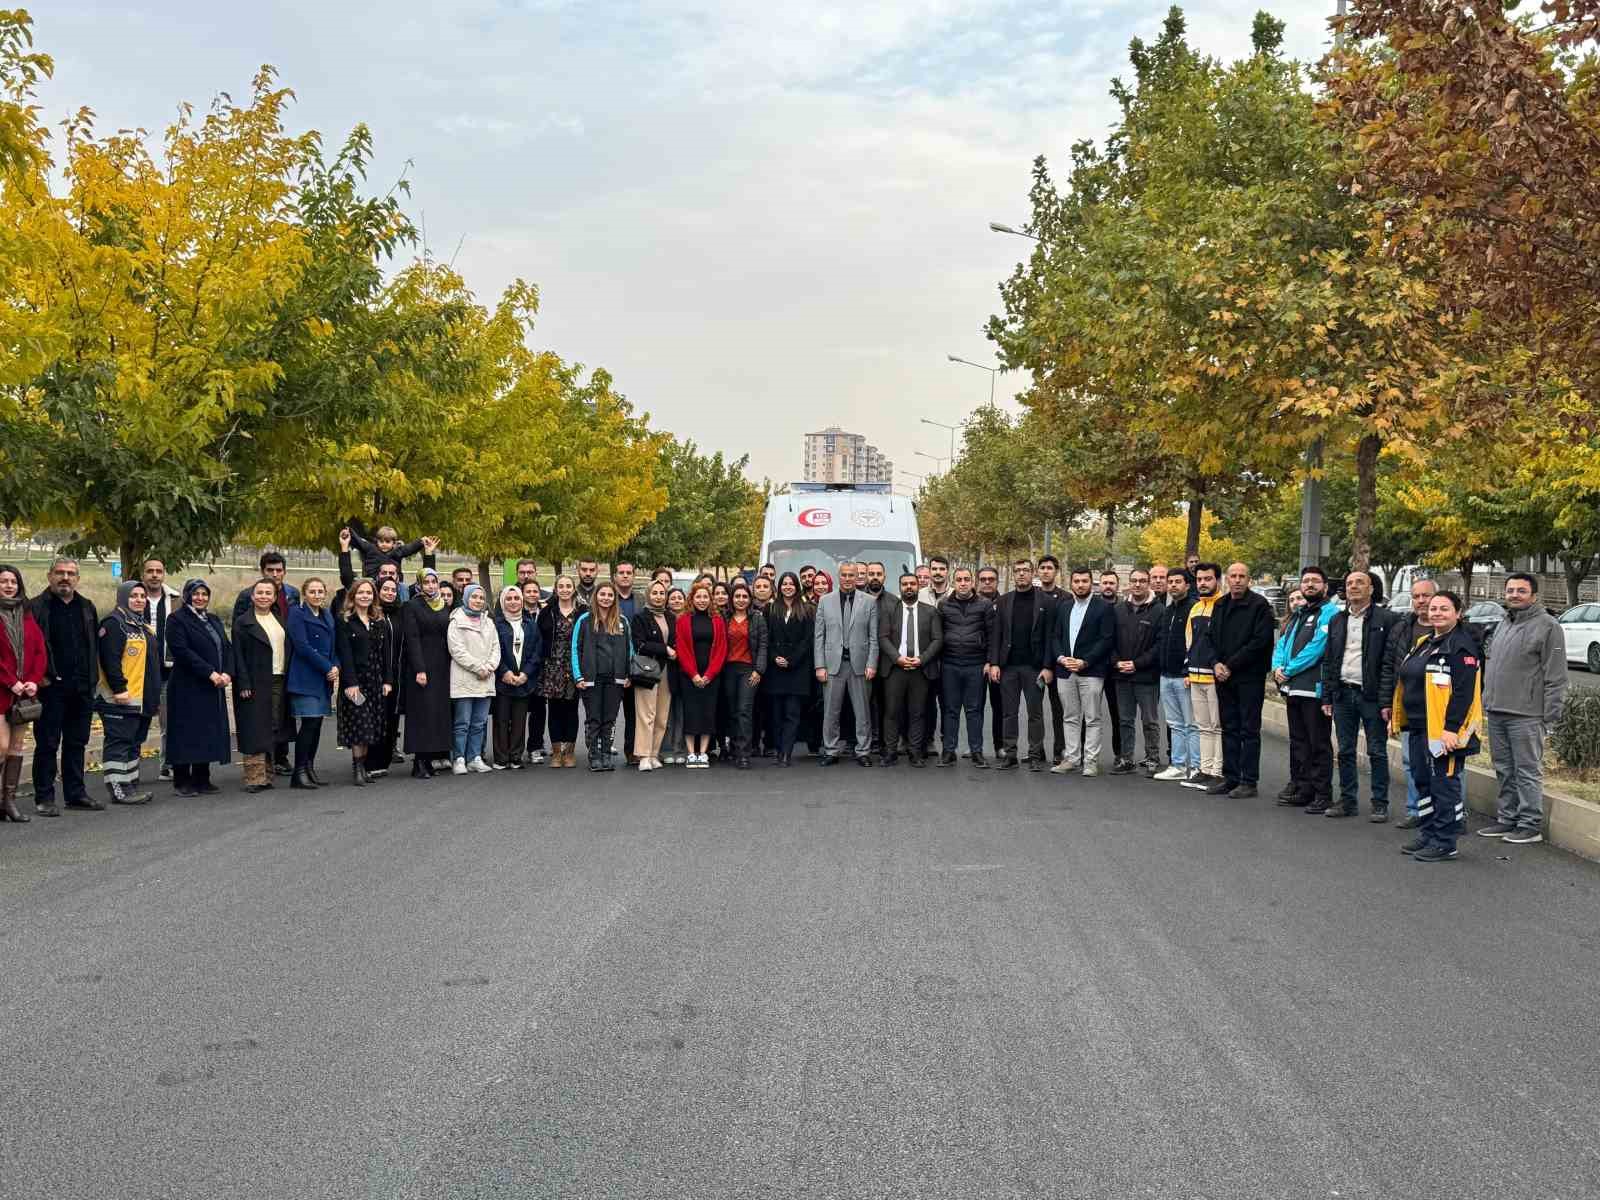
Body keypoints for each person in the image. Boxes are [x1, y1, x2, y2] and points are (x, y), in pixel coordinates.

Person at [1477, 572, 1569, 845]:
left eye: (1521, 591)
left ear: (1534, 595)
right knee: (1504, 768)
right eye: (1510, 590)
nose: (1514, 595)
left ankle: (1529, 825)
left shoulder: (1549, 626)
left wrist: (1549, 717)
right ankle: (1507, 819)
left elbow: (1557, 676)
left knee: (1527, 770)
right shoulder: (1504, 623)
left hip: (1527, 715)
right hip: (1497, 711)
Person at [1393, 591, 1483, 862]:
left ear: (1458, 613)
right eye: (1433, 608)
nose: (1437, 613)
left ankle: (1446, 841)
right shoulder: (1424, 642)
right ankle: (1429, 833)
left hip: (1443, 732)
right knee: (1423, 783)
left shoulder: (1461, 646)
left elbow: (1465, 692)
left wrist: (1451, 729)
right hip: (1419, 726)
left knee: (1444, 785)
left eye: (1444, 609)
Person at [1320, 569, 1398, 819]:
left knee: (1376, 750)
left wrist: (1387, 699)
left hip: (1372, 697)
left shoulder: (1388, 620)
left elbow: (1389, 663)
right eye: (1350, 583)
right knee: (1344, 750)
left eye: (1359, 583)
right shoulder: (1337, 620)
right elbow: (1330, 660)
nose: (1353, 587)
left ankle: (1380, 803)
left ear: (1371, 588)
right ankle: (1347, 800)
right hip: (1343, 693)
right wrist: (1327, 695)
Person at [29, 558, 100, 816]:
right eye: (60, 573)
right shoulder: (36, 607)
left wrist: (93, 681)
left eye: (71, 573)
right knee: (47, 743)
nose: (65, 578)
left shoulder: (87, 607)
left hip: (82, 687)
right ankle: (44, 797)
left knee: (76, 742)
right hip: (50, 688)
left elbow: (93, 646)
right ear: (50, 576)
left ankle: (75, 793)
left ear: (77, 579)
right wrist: (39, 678)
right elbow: (29, 647)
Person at [1272, 565, 1337, 812]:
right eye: (1306, 581)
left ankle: (1322, 793)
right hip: (1293, 689)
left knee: (1318, 742)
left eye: (1315, 581)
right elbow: (1283, 644)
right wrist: (1277, 667)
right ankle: (1303, 787)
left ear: (1325, 587)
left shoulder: (1329, 613)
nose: (1309, 585)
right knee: (1299, 741)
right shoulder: (1299, 613)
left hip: (1314, 689)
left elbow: (1317, 648)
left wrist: (1288, 670)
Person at [1209, 562, 1277, 798]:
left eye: (1242, 576)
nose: (1237, 580)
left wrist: (1230, 665)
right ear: (1226, 579)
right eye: (1233, 576)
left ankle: (1248, 781)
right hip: (1223, 677)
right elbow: (1211, 638)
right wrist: (1215, 663)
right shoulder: (1220, 604)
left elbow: (1260, 642)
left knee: (1249, 729)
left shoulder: (1259, 606)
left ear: (1249, 579)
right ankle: (1231, 777)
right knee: (1229, 728)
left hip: (1249, 677)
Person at [92, 581, 160, 807]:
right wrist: (119, 689)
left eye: (142, 596)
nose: (139, 599)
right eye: (133, 596)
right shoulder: (114, 624)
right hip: (118, 698)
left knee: (133, 743)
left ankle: (131, 784)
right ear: (122, 598)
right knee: (119, 743)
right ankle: (119, 790)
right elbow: (109, 661)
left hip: (141, 699)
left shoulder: (143, 626)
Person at [232, 552, 299, 775]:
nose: (275, 574)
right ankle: (259, 769)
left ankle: (278, 759)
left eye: (279, 570)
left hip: (282, 668)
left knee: (280, 716)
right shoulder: (246, 604)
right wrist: (243, 680)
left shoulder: (290, 598)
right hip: (257, 670)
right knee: (260, 720)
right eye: (270, 570)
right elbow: (239, 641)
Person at [1379, 578, 1437, 828]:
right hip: (1408, 707)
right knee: (1410, 761)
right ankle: (1416, 810)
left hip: (1439, 710)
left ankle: (1451, 813)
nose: (1421, 601)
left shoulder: (1451, 631)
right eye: (1416, 596)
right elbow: (1388, 668)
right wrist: (1387, 703)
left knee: (1445, 764)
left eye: (1426, 595)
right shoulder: (1402, 628)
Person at [163, 580, 230, 797]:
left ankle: (202, 778)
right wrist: (210, 672)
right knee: (186, 732)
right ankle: (182, 780)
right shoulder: (176, 620)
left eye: (204, 594)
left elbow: (226, 647)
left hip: (213, 685)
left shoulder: (213, 619)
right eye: (195, 594)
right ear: (186, 595)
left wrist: (228, 672)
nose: (200, 598)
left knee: (206, 731)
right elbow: (182, 651)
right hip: (187, 685)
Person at [1049, 568, 1115, 777]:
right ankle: (1071, 758)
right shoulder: (1064, 606)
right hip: (1065, 670)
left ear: (1091, 584)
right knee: (1069, 717)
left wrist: (1085, 661)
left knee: (1092, 717)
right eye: (1076, 581)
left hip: (1091, 670)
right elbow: (1055, 636)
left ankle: (1091, 761)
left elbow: (1106, 639)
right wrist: (1060, 658)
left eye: (1084, 581)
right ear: (1071, 584)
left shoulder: (1103, 608)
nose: (1080, 585)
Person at [988, 559, 1053, 771]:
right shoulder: (1004, 601)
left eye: (1025, 570)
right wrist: (994, 663)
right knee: (1009, 712)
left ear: (1032, 573)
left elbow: (1049, 637)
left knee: (1035, 713)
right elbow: (996, 634)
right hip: (1008, 667)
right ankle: (1010, 754)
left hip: (1034, 667)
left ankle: (1035, 755)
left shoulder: (1044, 600)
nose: (1021, 574)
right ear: (1013, 574)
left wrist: (1047, 666)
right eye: (1017, 571)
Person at [814, 559, 878, 767]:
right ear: (839, 575)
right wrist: (819, 665)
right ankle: (831, 750)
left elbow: (874, 637)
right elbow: (819, 637)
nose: (848, 579)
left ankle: (863, 751)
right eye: (844, 575)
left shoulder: (869, 601)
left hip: (860, 665)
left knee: (862, 711)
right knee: (831, 711)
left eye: (852, 575)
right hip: (833, 665)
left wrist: (872, 664)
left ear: (856, 577)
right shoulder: (825, 601)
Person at [877, 572, 943, 766]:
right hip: (895, 669)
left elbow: (938, 639)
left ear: (918, 586)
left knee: (918, 712)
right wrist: (897, 658)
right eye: (904, 584)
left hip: (920, 669)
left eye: (912, 584)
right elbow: (883, 637)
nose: (908, 587)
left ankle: (915, 752)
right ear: (900, 587)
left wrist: (921, 659)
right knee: (892, 712)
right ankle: (890, 752)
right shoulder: (890, 610)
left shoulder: (930, 611)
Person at [335, 579, 394, 785]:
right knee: (359, 725)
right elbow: (345, 653)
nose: (365, 596)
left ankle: (364, 765)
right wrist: (351, 683)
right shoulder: (344, 620)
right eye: (361, 592)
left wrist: (388, 680)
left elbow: (386, 653)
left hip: (376, 681)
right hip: (356, 683)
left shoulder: (379, 620)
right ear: (353, 596)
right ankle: (357, 767)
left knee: (371, 727)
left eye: (369, 593)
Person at [572, 580, 634, 771]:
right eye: (602, 594)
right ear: (596, 597)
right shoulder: (584, 620)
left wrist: (628, 674)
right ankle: (594, 754)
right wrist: (578, 676)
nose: (606, 598)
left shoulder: (622, 621)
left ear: (614, 598)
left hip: (615, 679)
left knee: (610, 718)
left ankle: (606, 753)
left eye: (609, 595)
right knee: (594, 718)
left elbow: (629, 649)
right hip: (591, 679)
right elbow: (575, 648)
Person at [0, 564, 46, 821]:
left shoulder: (26, 614)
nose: (9, 586)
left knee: (17, 747)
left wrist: (33, 681)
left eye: (13, 582)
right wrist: (10, 681)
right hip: (2, 690)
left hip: (23, 693)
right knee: (2, 745)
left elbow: (39, 650)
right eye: (4, 581)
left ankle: (9, 802)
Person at [285, 578, 338, 790]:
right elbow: (302, 646)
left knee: (316, 726)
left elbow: (334, 645)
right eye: (312, 591)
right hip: (306, 676)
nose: (317, 595)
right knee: (308, 725)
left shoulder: (327, 615)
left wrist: (335, 666)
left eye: (320, 591)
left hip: (324, 678)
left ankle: (309, 768)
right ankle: (298, 773)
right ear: (304, 594)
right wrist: (327, 667)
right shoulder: (297, 614)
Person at [938, 567, 993, 767]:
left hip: (976, 665)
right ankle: (948, 751)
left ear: (972, 582)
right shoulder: (943, 605)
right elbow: (938, 635)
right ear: (954, 582)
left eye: (966, 579)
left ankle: (977, 751)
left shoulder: (985, 605)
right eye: (959, 579)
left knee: (974, 710)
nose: (963, 583)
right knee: (950, 710)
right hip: (950, 664)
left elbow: (991, 635)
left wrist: (989, 661)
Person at [1110, 567, 1162, 777]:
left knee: (1149, 720)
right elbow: (1109, 640)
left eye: (1142, 580)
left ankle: (1152, 758)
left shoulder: (1159, 611)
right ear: (1129, 583)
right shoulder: (1119, 610)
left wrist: (1137, 664)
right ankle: (1127, 758)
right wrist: (1116, 662)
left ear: (1148, 583)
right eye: (1134, 580)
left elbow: (1159, 645)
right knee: (1125, 719)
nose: (1138, 584)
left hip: (1146, 676)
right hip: (1121, 675)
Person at [402, 569, 453, 778]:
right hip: (422, 666)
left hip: (442, 665)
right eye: (427, 582)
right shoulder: (412, 605)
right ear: (419, 584)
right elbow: (412, 638)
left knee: (436, 714)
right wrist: (419, 669)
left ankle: (430, 759)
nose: (431, 586)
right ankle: (419, 761)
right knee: (421, 714)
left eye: (434, 582)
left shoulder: (444, 606)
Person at [487, 585, 543, 770]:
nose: (513, 602)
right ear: (503, 601)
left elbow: (537, 651)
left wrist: (526, 673)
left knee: (519, 720)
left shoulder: (531, 625)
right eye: (509, 599)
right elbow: (493, 651)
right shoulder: (496, 624)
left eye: (516, 598)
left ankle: (516, 756)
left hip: (524, 681)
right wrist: (504, 672)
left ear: (522, 601)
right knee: (501, 720)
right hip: (503, 680)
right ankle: (501, 758)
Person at [447, 584, 499, 774]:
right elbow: (457, 650)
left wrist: (490, 666)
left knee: (479, 722)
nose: (478, 601)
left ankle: (474, 757)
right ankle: (459, 758)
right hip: (464, 679)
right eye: (474, 597)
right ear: (466, 598)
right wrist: (478, 667)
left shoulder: (489, 622)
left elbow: (496, 647)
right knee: (462, 723)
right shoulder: (456, 621)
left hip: (485, 679)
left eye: (481, 597)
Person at [1154, 571, 1200, 782]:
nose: (1172, 585)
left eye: (1177, 582)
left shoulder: (1194, 607)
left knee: (1191, 724)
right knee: (1174, 723)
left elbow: (1196, 643)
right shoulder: (1168, 610)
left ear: (1187, 585)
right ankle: (1178, 765)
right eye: (1170, 582)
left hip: (1184, 676)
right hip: (1165, 675)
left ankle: (1197, 768)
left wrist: (1188, 670)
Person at [1182, 563, 1224, 791]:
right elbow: (1189, 642)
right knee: (1203, 727)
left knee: (1217, 726)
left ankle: (1218, 772)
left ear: (1217, 580)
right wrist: (1187, 671)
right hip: (1196, 676)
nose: (1203, 583)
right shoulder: (1196, 608)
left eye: (1208, 579)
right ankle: (1205, 770)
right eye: (1199, 579)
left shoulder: (1223, 606)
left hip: (1215, 678)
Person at [535, 575, 585, 768]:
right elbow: (539, 639)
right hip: (552, 667)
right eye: (561, 586)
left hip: (574, 666)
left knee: (571, 710)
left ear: (574, 589)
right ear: (556, 589)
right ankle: (556, 753)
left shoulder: (583, 611)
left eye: (568, 586)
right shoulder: (547, 612)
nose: (564, 589)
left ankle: (569, 752)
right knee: (554, 710)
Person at [674, 582, 726, 768]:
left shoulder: (718, 620)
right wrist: (694, 674)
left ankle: (703, 753)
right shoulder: (683, 620)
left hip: (711, 676)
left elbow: (721, 649)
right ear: (692, 599)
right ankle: (691, 753)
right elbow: (681, 648)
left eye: (705, 597)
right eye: (698, 597)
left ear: (710, 599)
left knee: (707, 713)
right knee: (691, 713)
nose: (702, 600)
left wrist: (710, 674)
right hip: (689, 675)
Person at [765, 572, 813, 767]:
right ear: (779, 587)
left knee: (792, 714)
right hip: (775, 669)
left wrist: (791, 660)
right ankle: (778, 748)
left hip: (797, 669)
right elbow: (765, 638)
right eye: (784, 584)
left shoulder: (806, 610)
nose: (787, 587)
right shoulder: (770, 609)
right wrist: (774, 657)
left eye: (791, 584)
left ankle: (786, 752)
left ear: (797, 586)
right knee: (776, 714)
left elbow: (807, 640)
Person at [139, 558, 180, 779]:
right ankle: (130, 769)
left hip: (167, 669)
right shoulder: (133, 597)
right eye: (150, 571)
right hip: (139, 671)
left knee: (169, 721)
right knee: (137, 722)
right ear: (143, 574)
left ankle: (168, 765)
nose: (154, 575)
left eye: (158, 571)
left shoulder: (175, 599)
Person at [721, 580, 767, 769]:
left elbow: (763, 645)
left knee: (744, 711)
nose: (741, 600)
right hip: (728, 669)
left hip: (749, 669)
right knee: (731, 710)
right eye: (737, 596)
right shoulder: (724, 617)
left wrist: (759, 670)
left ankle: (744, 753)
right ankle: (733, 747)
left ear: (750, 599)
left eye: (745, 596)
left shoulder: (757, 618)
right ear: (732, 599)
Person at [630, 579, 675, 770]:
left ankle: (654, 753)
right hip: (647, 669)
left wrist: (673, 650)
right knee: (646, 714)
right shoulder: (640, 617)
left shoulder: (671, 617)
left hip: (667, 670)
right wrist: (665, 648)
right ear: (649, 595)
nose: (658, 596)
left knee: (661, 715)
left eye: (662, 593)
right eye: (655, 593)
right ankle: (643, 756)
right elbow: (640, 643)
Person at [365, 576, 405, 778]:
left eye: (393, 590)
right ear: (377, 591)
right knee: (375, 719)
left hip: (396, 675)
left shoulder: (399, 614)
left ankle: (384, 760)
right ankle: (370, 761)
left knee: (391, 719)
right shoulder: (372, 613)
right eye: (386, 589)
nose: (390, 593)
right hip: (375, 675)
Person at [1035, 556, 1067, 762]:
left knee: (1060, 711)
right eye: (1042, 568)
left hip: (1058, 663)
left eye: (1050, 568)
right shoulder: (1032, 596)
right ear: (1037, 571)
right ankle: (1036, 751)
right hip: (1034, 663)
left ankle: (1060, 751)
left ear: (1056, 571)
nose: (1046, 571)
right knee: (1034, 711)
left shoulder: (1066, 598)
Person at [347, 518, 436, 580]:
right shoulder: (371, 549)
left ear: (393, 543)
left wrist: (421, 541)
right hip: (373, 582)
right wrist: (349, 532)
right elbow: (360, 543)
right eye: (381, 541)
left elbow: (409, 548)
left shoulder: (398, 552)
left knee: (403, 587)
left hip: (394, 584)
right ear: (377, 541)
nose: (384, 544)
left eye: (387, 542)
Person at [977, 566, 1004, 759]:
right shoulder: (971, 602)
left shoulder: (1005, 603)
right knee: (974, 706)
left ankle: (1000, 746)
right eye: (984, 579)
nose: (987, 582)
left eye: (991, 579)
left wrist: (993, 661)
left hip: (998, 664)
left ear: (997, 581)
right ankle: (974, 745)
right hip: (974, 663)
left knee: (999, 706)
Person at [661, 586, 690, 765]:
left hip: (686, 670)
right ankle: (666, 749)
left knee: (682, 712)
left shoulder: (690, 619)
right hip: (667, 669)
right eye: (673, 598)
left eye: (680, 597)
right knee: (667, 712)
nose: (677, 600)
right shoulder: (663, 619)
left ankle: (680, 748)